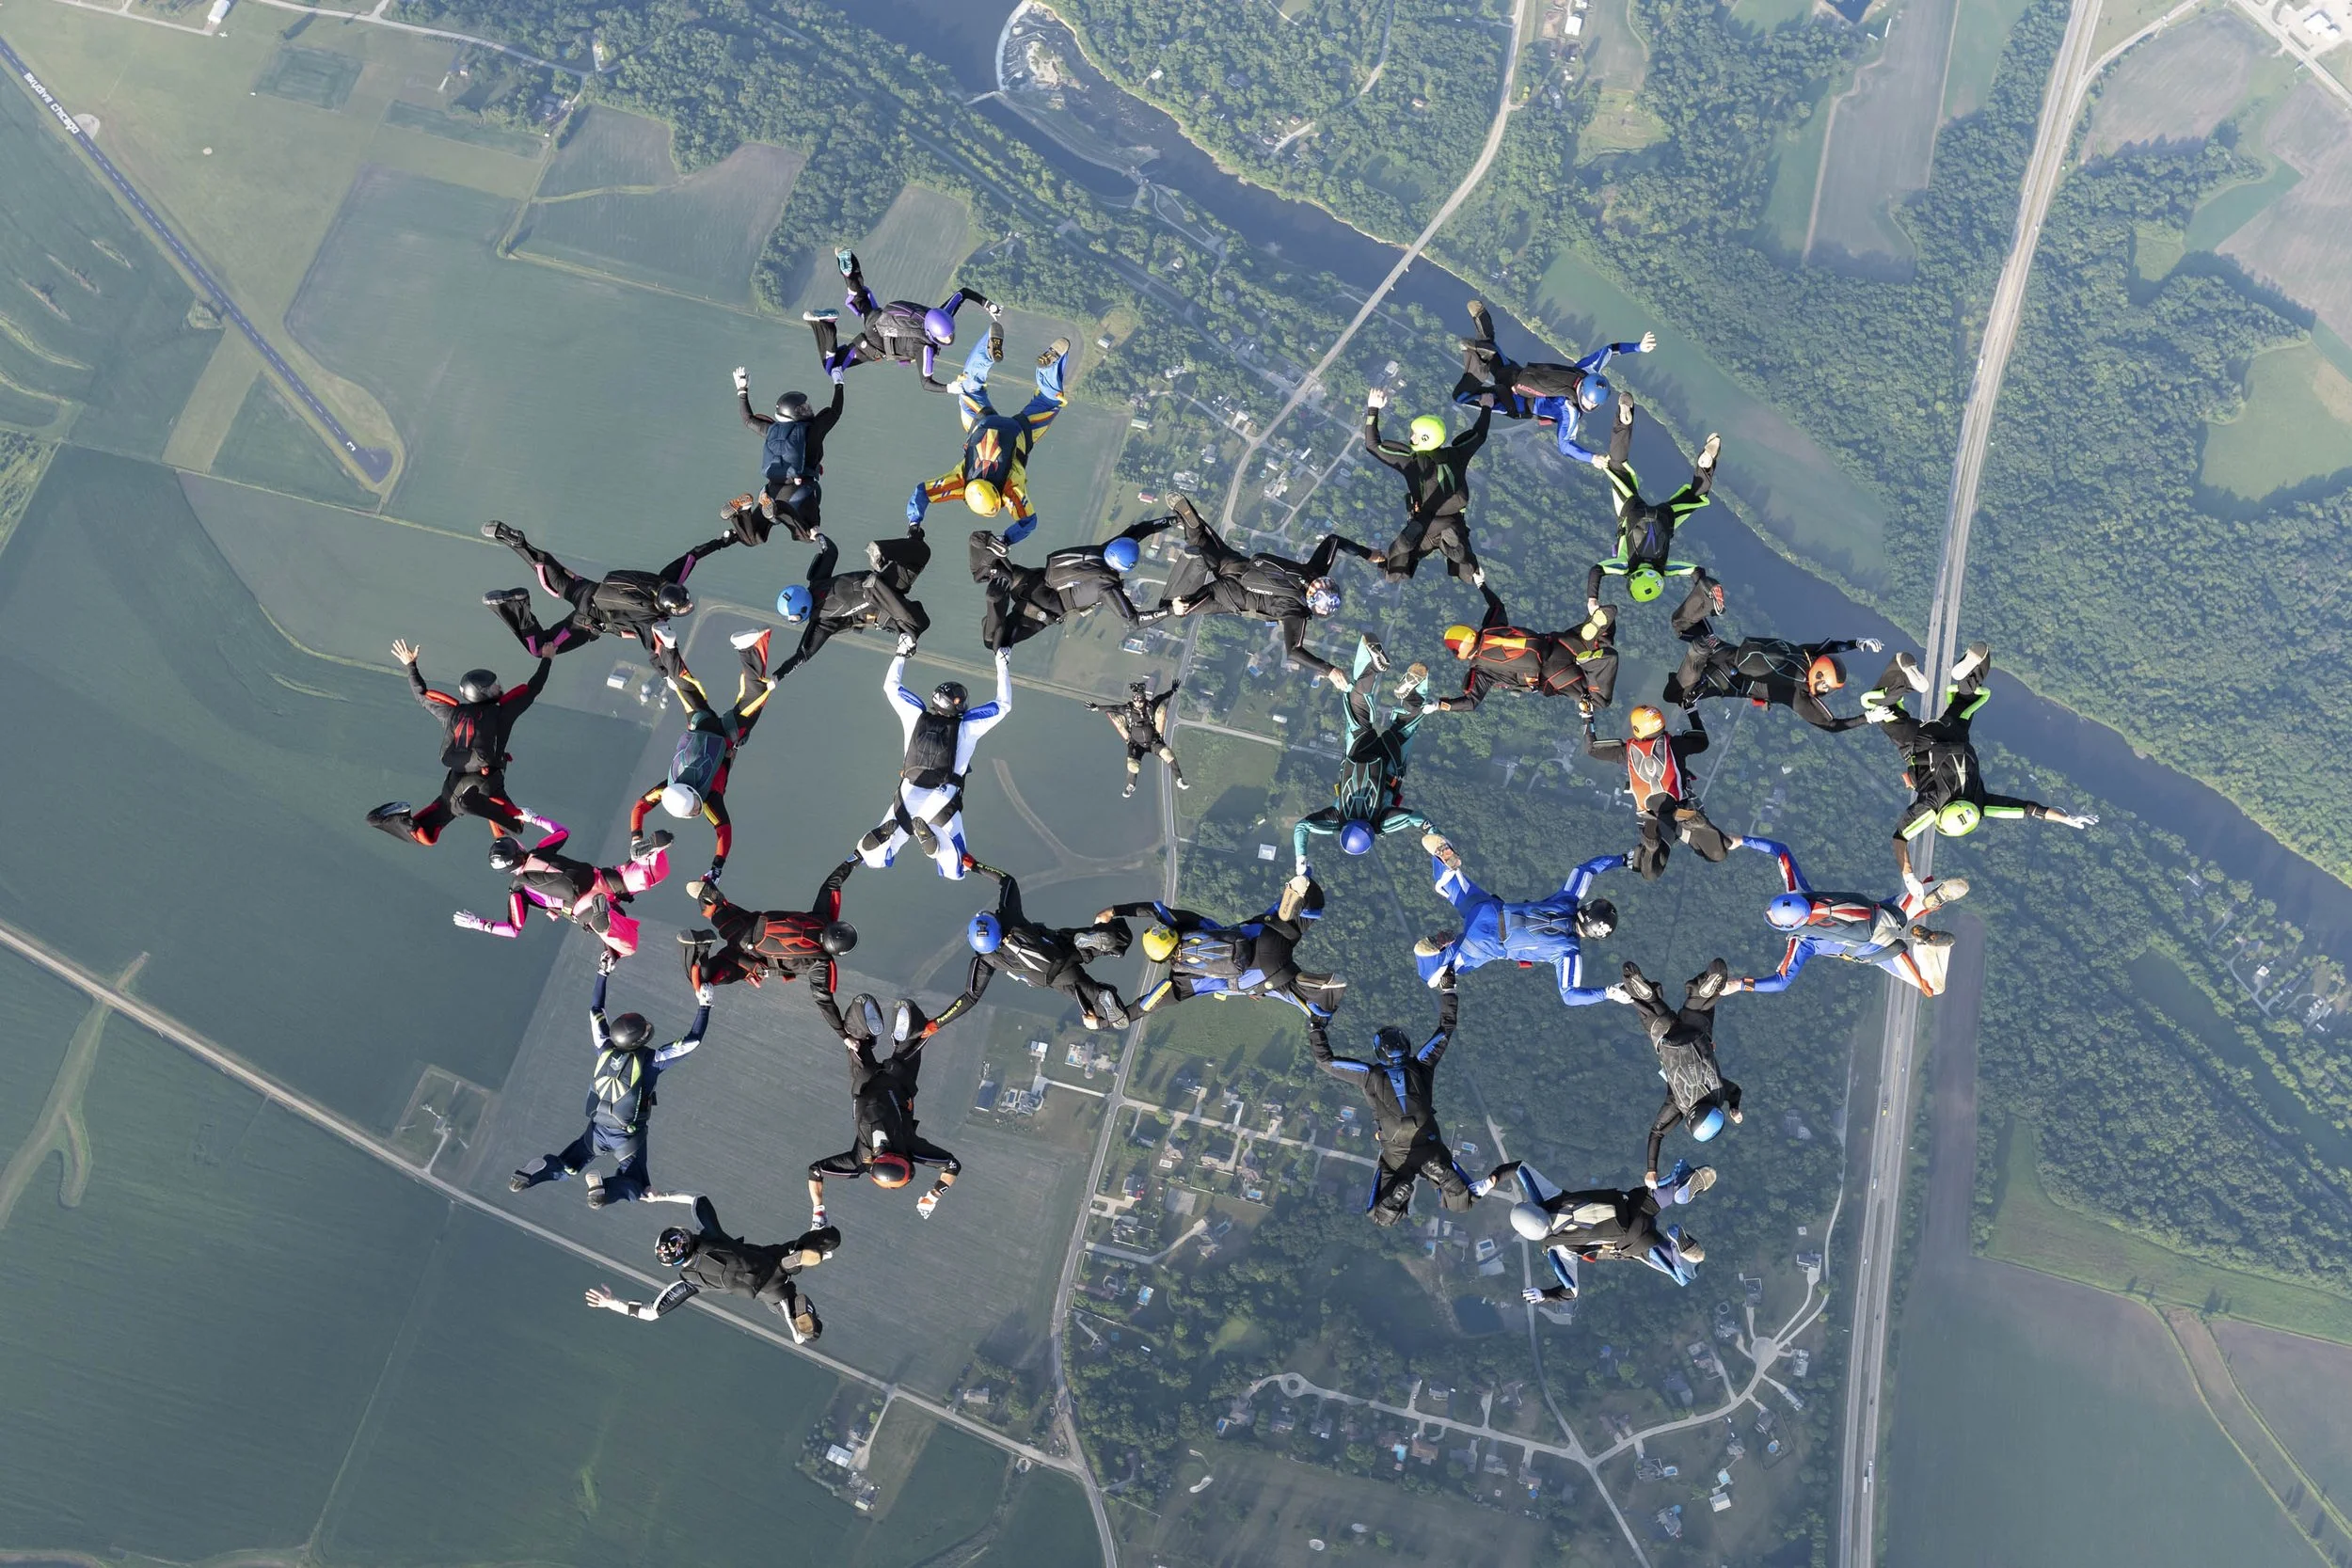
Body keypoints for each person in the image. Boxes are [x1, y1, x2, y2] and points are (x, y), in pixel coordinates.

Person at [1861, 643, 2095, 886]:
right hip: (1918, 743)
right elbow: (1900, 838)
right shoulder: (1931, 805)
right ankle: (1903, 672)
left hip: (1954, 733)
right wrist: (1908, 875)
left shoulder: (1980, 803)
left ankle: (1971, 670)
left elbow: (2029, 809)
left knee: (1967, 696)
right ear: (1940, 818)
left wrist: (2067, 818)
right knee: (1879, 708)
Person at [1309, 974, 1511, 1226]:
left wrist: (1316, 1027)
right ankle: (1415, 1186)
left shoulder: (1370, 1076)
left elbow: (1326, 1063)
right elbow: (1445, 1029)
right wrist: (1448, 991)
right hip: (1405, 1151)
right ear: (1406, 1046)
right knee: (1378, 1212)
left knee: (1461, 1200)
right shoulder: (1421, 1064)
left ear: (1379, 1052)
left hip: (1419, 1149)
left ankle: (1432, 1179)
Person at [509, 969, 710, 1208]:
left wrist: (602, 973)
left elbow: (596, 1011)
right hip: (626, 1136)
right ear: (639, 1041)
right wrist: (704, 1005)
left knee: (568, 1165)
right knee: (636, 1186)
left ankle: (538, 1171)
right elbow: (692, 1040)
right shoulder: (651, 1061)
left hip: (596, 1130)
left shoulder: (604, 1047)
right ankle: (603, 1191)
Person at [1154, 496, 1369, 687]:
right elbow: (1294, 651)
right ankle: (1184, 585)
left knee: (1201, 543)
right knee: (1172, 606)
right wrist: (1328, 670)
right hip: (1232, 597)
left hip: (1239, 566)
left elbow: (1334, 540)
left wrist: (1369, 554)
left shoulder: (1313, 571)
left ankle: (1192, 526)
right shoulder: (1296, 612)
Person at [1728, 837, 1969, 997]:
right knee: (1916, 897)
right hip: (1884, 913)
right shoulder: (1800, 892)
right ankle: (1930, 895)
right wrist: (1741, 841)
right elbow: (1781, 851)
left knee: (1933, 987)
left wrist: (1739, 985)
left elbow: (1781, 981)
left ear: (1790, 925)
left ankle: (1925, 945)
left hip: (1879, 949)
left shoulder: (1801, 942)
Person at [625, 628, 776, 883]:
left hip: (728, 736)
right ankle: (667, 645)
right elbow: (639, 807)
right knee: (685, 687)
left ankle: (747, 648)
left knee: (756, 694)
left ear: (696, 799)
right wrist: (636, 838)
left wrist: (716, 868)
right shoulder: (668, 788)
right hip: (698, 726)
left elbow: (724, 833)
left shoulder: (710, 800)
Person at [582, 1194, 834, 1344]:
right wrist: (661, 1196)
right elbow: (697, 1198)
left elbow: (650, 1313)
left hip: (769, 1290)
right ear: (685, 1237)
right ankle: (804, 1253)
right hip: (770, 1259)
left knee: (808, 1337)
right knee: (830, 1237)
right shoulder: (709, 1236)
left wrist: (611, 1302)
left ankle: (797, 1319)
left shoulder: (688, 1282)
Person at [366, 640, 548, 847]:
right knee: (515, 826)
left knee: (427, 835)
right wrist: (548, 658)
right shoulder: (501, 713)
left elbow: (422, 696)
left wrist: (410, 666)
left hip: (454, 785)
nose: (499, 687)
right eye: (494, 686)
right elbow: (534, 688)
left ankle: (389, 819)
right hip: (485, 782)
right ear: (484, 692)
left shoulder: (452, 712)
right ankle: (471, 804)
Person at [854, 641, 1012, 879]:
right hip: (942, 796)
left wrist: (901, 652)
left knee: (876, 860)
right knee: (954, 870)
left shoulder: (915, 714)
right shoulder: (967, 726)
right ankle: (934, 847)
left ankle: (882, 842)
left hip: (908, 794)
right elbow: (1003, 705)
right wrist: (1002, 663)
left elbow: (891, 687)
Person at [1412, 832, 1623, 1006]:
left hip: (1490, 910)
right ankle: (1440, 950)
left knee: (1450, 886)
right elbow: (1570, 995)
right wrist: (1608, 992)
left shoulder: (1567, 901)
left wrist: (1623, 859)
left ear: (1588, 908)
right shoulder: (1568, 954)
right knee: (1435, 977)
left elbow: (1585, 870)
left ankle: (1444, 859)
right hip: (1486, 943)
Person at [805, 989, 960, 1224]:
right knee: (857, 1037)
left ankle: (899, 1031)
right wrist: (818, 1210)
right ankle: (867, 1028)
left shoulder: (910, 1149)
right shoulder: (861, 1160)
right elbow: (815, 1171)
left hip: (898, 1080)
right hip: (864, 1081)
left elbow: (952, 1166)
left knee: (912, 1031)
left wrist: (934, 1195)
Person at [1661, 568, 1882, 731]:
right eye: (1827, 687)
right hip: (1725, 678)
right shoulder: (1798, 694)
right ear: (1821, 679)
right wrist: (1867, 718)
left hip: (1728, 651)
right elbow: (1832, 725)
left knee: (1681, 626)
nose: (1825, 691)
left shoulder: (1805, 654)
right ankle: (1697, 652)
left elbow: (1832, 646)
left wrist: (1858, 643)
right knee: (1674, 695)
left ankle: (1703, 589)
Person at [1104, 873, 1343, 1019]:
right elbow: (1154, 909)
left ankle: (1315, 989)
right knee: (1307, 909)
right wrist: (1114, 911)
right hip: (1267, 935)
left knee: (1314, 1009)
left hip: (1267, 973)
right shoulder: (1186, 924)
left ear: (1160, 959)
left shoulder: (1182, 981)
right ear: (1169, 932)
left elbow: (1145, 1005)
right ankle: (1297, 897)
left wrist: (1104, 1021)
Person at [906, 336, 1071, 546]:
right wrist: (914, 522)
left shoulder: (1010, 493)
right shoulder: (959, 483)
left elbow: (1029, 522)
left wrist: (1006, 540)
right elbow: (922, 492)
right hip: (982, 423)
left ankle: (1052, 364)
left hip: (1019, 432)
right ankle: (986, 352)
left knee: (1049, 400)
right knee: (969, 386)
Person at [480, 520, 734, 656]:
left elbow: (693, 556)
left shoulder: (664, 581)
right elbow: (654, 649)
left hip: (589, 590)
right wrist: (668, 674)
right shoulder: (649, 619)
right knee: (540, 649)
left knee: (550, 572)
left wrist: (725, 540)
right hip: (587, 622)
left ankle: (518, 542)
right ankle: (519, 605)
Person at [1453, 298, 1656, 465]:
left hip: (1520, 374)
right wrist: (1591, 458)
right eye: (1590, 401)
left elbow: (1611, 350)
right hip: (1514, 402)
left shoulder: (1586, 370)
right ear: (1584, 393)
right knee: (1461, 396)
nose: (1590, 405)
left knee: (1495, 360)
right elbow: (1565, 445)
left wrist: (1638, 347)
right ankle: (1476, 360)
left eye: (1594, 404)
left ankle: (1483, 326)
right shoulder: (1571, 411)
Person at [1292, 638, 1437, 871]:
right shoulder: (1338, 818)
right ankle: (1372, 666)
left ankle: (1411, 694)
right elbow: (1302, 827)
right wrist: (1301, 861)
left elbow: (1415, 818)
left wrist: (1434, 832)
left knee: (1410, 721)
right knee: (1357, 705)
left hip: (1390, 766)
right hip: (1357, 754)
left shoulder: (1381, 824)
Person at [944, 858, 1133, 1030]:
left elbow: (970, 998)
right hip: (1061, 946)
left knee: (1096, 1004)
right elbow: (1007, 881)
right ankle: (1109, 940)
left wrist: (935, 1025)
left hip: (1058, 978)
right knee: (1120, 936)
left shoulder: (986, 960)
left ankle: (1102, 1001)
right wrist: (974, 865)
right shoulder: (1009, 918)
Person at [453, 816, 673, 961]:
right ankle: (648, 856)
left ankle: (606, 923)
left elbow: (513, 929)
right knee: (652, 873)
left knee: (628, 945)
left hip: (583, 907)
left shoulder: (518, 890)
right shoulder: (540, 851)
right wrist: (532, 817)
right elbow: (562, 831)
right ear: (519, 847)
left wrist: (478, 924)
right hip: (601, 878)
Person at [1604, 959, 1744, 1183]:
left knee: (1701, 1002)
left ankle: (1705, 988)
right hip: (1666, 1037)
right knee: (1647, 1004)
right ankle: (1645, 996)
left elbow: (1736, 1090)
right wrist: (1651, 1169)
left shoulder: (1719, 1093)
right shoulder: (1679, 1105)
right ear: (1690, 1121)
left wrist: (1734, 1109)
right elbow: (1657, 1133)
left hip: (1696, 1030)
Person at [1502, 1161, 1708, 1301]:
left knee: (1683, 1274)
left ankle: (1682, 1260)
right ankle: (1678, 1186)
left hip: (1632, 1241)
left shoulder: (1558, 1248)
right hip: (1631, 1206)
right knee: (1657, 1195)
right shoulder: (1550, 1198)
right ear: (1534, 1207)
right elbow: (1519, 1167)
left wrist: (1545, 1295)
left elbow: (1571, 1292)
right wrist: (1489, 1181)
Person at [804, 245, 996, 391]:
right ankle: (825, 324)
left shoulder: (940, 313)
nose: (948, 338)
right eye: (945, 337)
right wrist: (950, 388)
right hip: (874, 344)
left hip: (879, 318)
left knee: (860, 295)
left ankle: (847, 268)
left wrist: (988, 305)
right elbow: (926, 383)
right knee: (832, 367)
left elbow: (962, 294)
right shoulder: (926, 348)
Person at [969, 515, 1173, 650]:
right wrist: (1172, 609)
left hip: (1032, 581)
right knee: (992, 643)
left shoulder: (1102, 550)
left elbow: (1138, 530)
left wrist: (1169, 521)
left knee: (982, 572)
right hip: (1043, 609)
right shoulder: (1107, 586)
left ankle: (985, 542)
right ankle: (993, 602)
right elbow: (1134, 621)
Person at [1588, 400, 1718, 610]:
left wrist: (1702, 591)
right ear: (1632, 580)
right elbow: (1596, 570)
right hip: (1631, 512)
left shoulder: (1665, 568)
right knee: (1616, 467)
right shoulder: (1624, 567)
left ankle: (1706, 464)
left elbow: (1696, 571)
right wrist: (1592, 600)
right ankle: (1624, 419)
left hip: (1665, 519)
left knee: (1696, 496)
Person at [1584, 703, 1731, 879]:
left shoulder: (1626, 752)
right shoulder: (1675, 744)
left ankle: (1651, 842)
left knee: (1651, 873)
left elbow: (1592, 749)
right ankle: (1703, 824)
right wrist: (1691, 710)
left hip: (1654, 817)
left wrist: (1588, 717)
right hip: (1682, 813)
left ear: (1637, 729)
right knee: (1719, 854)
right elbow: (1702, 742)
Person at [1360, 388, 1491, 583]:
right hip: (1453, 522)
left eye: (1414, 434)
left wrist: (1373, 410)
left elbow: (1373, 445)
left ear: (1424, 439)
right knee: (1459, 554)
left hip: (1425, 526)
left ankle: (1456, 556)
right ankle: (1468, 567)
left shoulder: (1412, 461)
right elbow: (1479, 434)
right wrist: (1487, 407)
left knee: (1396, 562)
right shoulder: (1457, 454)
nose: (1410, 437)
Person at [678, 858, 859, 992]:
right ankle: (699, 948)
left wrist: (857, 856)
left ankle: (710, 896)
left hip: (747, 925)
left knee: (715, 911)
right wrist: (844, 1034)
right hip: (748, 961)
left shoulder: (824, 917)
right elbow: (824, 1001)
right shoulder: (821, 962)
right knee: (703, 981)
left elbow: (832, 883)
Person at [1435, 585, 1618, 715]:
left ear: (1459, 653)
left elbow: (1470, 703)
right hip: (1557, 643)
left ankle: (1594, 662)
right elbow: (1497, 606)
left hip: (1553, 676)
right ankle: (1594, 636)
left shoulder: (1480, 671)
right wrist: (1481, 584)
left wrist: (1439, 705)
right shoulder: (1491, 628)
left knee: (1597, 701)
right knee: (1595, 639)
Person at [773, 528, 932, 678]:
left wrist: (778, 676)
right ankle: (884, 550)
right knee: (921, 553)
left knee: (919, 623)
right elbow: (830, 551)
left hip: (880, 604)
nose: (791, 620)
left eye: (793, 617)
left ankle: (904, 633)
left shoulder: (822, 623)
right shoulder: (817, 582)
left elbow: (802, 655)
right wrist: (818, 536)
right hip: (885, 583)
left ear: (803, 609)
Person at [721, 369, 845, 544]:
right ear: (794, 413)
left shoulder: (771, 429)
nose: (807, 409)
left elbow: (748, 419)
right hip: (801, 488)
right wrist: (839, 383)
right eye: (803, 408)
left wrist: (742, 391)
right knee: (807, 533)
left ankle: (744, 510)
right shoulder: (812, 431)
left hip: (771, 490)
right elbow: (835, 411)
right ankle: (777, 512)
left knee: (752, 538)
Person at [1087, 679, 1186, 798]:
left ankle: (1179, 780)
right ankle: (1131, 785)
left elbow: (1161, 697)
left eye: (1140, 701)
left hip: (1152, 741)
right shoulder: (1127, 709)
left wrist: (1172, 690)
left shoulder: (1150, 706)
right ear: (1133, 700)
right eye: (1136, 701)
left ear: (1144, 699)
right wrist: (1096, 708)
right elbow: (1113, 708)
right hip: (1136, 743)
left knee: (1168, 754)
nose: (1138, 704)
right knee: (1133, 765)